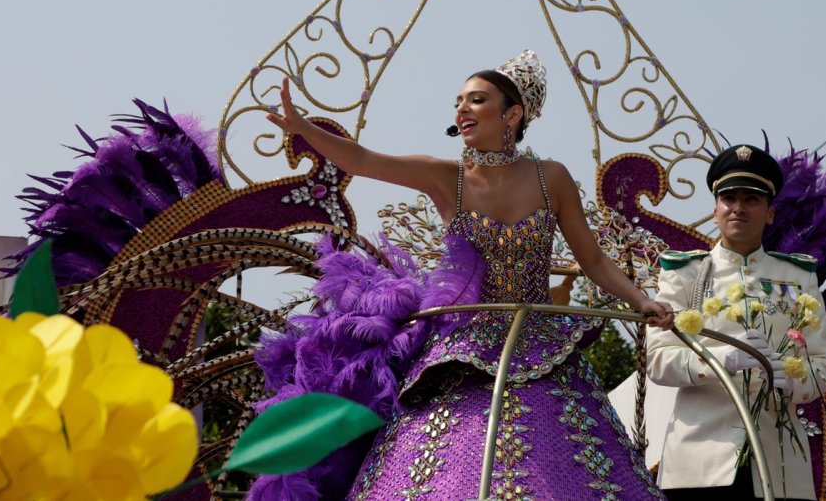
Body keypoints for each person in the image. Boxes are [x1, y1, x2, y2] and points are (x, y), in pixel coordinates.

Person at [263, 49, 672, 500]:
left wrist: (641, 301)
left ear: (512, 114)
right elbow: (361, 160)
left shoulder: (551, 178)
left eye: (476, 100)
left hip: (543, 347)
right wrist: (303, 128)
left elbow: (592, 261)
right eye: (459, 100)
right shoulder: (447, 177)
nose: (462, 108)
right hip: (463, 349)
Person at [645, 144, 826, 500]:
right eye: (729, 198)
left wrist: (791, 376)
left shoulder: (798, 276)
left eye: (751, 199)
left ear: (769, 213)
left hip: (779, 462)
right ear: (716, 210)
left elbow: (825, 365)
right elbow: (657, 360)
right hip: (700, 463)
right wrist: (720, 362)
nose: (738, 207)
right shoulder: (685, 273)